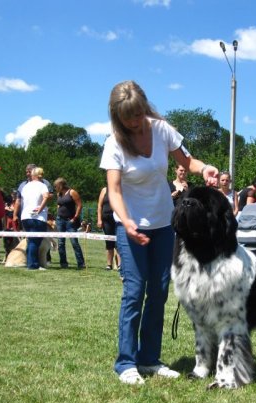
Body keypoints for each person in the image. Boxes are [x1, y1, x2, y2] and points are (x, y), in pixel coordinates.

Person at [100, 80, 219, 385]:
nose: (136, 122)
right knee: (134, 291)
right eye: (129, 117)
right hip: (131, 227)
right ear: (118, 116)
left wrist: (203, 168)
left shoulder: (162, 129)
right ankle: (126, 363)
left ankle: (149, 358)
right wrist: (125, 222)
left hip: (164, 224)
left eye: (139, 114)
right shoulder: (113, 143)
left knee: (159, 291)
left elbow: (188, 161)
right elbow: (113, 190)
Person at [19, 167, 51, 270]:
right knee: (35, 241)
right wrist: (40, 209)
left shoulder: (25, 186)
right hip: (37, 217)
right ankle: (33, 265)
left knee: (30, 240)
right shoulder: (43, 186)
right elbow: (46, 197)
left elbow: (21, 199)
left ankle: (30, 262)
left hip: (25, 217)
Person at [53, 177, 86, 270]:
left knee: (74, 242)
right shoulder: (58, 194)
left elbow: (79, 205)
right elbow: (59, 204)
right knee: (60, 243)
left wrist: (75, 217)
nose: (55, 187)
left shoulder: (72, 192)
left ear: (61, 185)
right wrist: (57, 213)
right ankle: (63, 263)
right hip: (60, 220)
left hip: (70, 220)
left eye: (56, 186)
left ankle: (81, 263)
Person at [97, 186, 120, 270]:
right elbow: (99, 205)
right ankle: (109, 264)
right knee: (109, 242)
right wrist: (99, 219)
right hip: (106, 219)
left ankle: (119, 265)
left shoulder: (121, 188)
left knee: (118, 243)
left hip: (118, 219)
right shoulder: (104, 190)